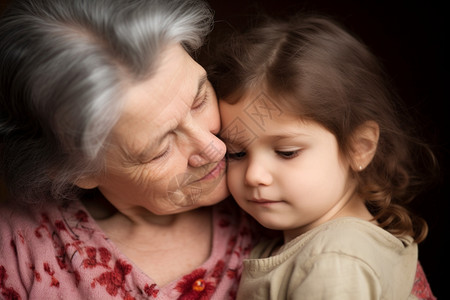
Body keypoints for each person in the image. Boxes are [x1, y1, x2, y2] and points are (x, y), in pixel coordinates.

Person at [0, 0, 256, 299]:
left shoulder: (288, 191)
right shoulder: (15, 250)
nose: (214, 148)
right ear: (75, 169)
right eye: (159, 150)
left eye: (200, 100)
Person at [210, 13, 438, 299]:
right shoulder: (331, 245)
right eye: (237, 153)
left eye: (286, 152)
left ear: (360, 147)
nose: (254, 174)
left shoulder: (334, 263)